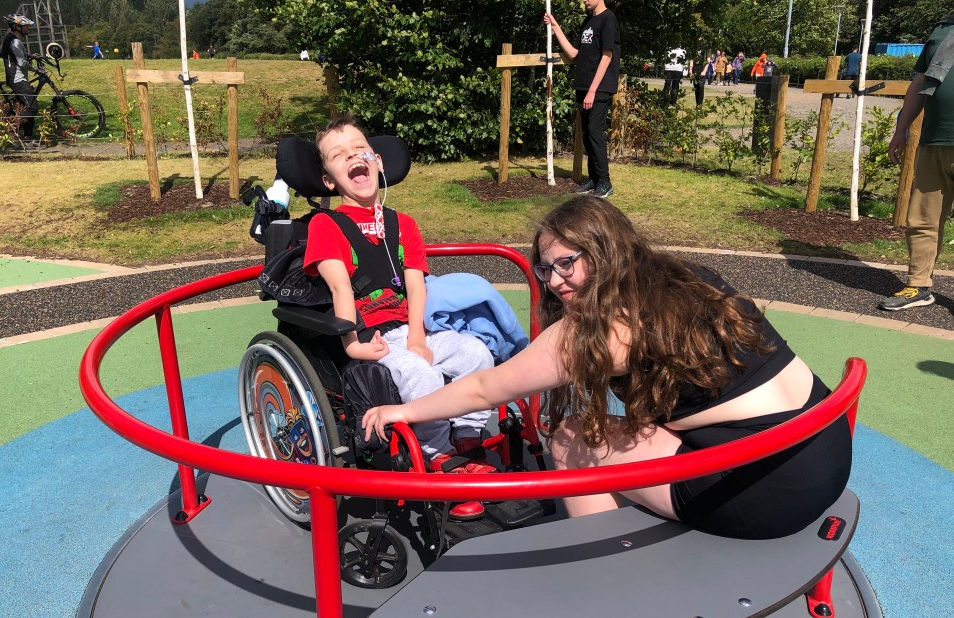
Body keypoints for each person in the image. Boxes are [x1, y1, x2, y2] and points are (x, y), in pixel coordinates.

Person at [364, 196, 852, 539]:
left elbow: (485, 390)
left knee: (571, 436)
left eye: (567, 263)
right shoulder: (687, 277)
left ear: (604, 252)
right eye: (545, 268)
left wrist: (402, 412)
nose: (554, 281)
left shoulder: (597, 329)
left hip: (765, 491)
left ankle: (610, 570)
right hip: (825, 450)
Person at [303, 115, 498, 511]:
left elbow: (415, 285)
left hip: (411, 328)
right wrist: (353, 344)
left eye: (359, 149)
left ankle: (467, 435)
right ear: (329, 180)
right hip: (371, 334)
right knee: (421, 372)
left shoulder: (402, 223)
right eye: (339, 155)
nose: (353, 157)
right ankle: (438, 455)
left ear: (376, 161)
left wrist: (416, 336)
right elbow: (341, 288)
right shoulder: (326, 225)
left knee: (475, 352)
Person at [880, 14, 954, 311]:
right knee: (923, 218)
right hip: (934, 139)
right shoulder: (942, 29)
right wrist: (901, 128)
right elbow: (920, 82)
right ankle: (918, 285)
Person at [544, 0, 620, 198]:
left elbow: (607, 56)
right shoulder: (588, 22)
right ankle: (594, 179)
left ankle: (605, 182)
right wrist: (555, 26)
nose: (585, 0)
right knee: (587, 134)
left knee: (595, 132)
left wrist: (593, 90)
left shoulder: (608, 19)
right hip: (583, 86)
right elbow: (573, 53)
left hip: (600, 87)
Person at [0, 14, 38, 145]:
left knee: (24, 108)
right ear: (17, 27)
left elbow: (19, 56)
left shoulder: (13, 39)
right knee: (32, 108)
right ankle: (9, 132)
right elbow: (21, 63)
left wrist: (31, 56)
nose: (28, 28)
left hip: (18, 78)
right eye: (25, 26)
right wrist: (36, 70)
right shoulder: (15, 41)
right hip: (17, 79)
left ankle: (27, 139)